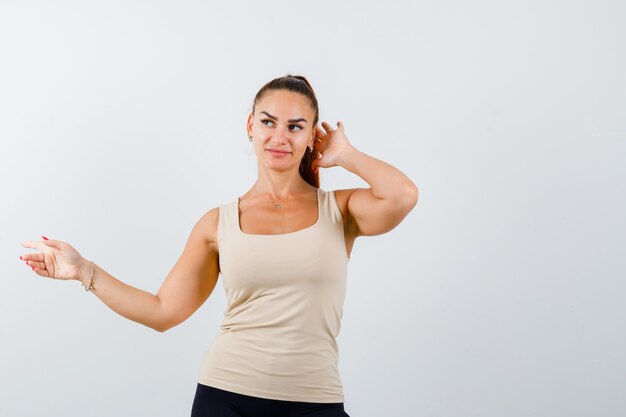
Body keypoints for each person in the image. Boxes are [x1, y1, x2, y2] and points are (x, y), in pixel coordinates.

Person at [20, 74, 419, 417]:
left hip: (315, 400)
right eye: (268, 122)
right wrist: (83, 270)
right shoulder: (218, 223)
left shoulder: (341, 209)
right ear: (251, 126)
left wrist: (347, 155)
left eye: (295, 127)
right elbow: (163, 312)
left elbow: (402, 195)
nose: (279, 136)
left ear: (313, 135)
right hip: (226, 398)